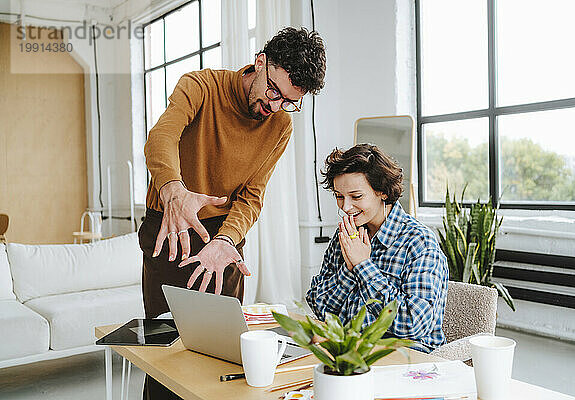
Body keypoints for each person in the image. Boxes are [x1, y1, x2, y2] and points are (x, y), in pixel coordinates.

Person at [139, 27, 326, 399]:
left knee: (225, 353)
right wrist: (174, 191)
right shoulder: (201, 87)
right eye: (274, 91)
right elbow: (160, 137)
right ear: (260, 63)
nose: (275, 106)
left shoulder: (280, 125)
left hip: (223, 240)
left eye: (288, 101)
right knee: (166, 353)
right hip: (170, 227)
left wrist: (226, 238)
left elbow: (252, 196)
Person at [306, 144, 448, 352]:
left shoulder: (419, 242)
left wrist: (363, 266)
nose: (345, 208)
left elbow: (413, 325)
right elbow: (321, 307)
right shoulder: (346, 236)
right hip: (347, 354)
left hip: (405, 361)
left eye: (356, 197)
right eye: (339, 196)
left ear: (381, 191)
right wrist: (349, 269)